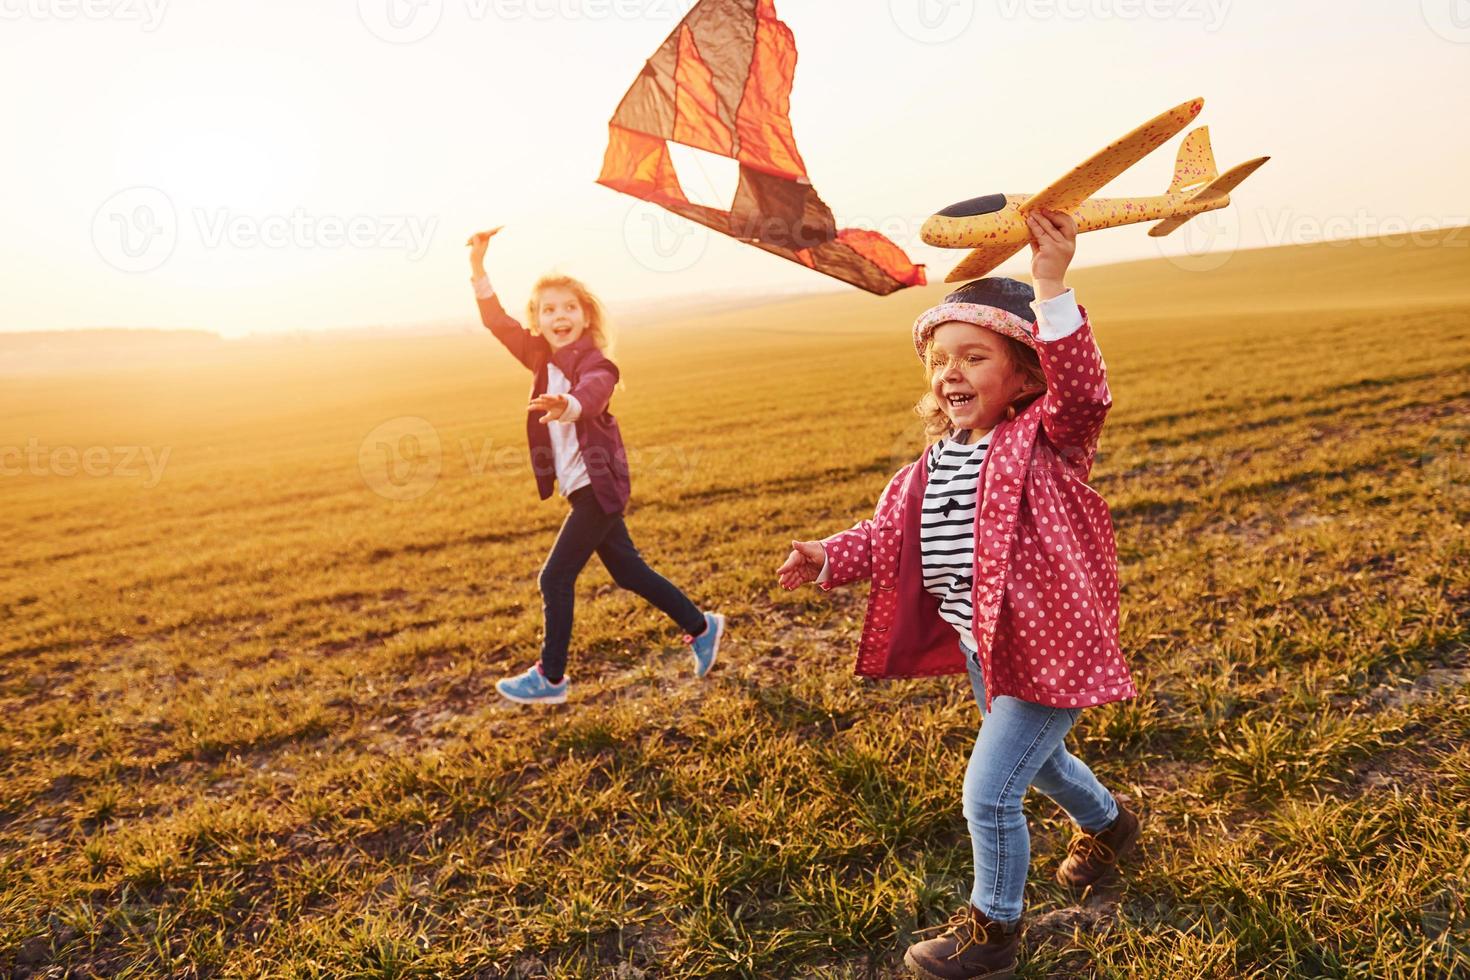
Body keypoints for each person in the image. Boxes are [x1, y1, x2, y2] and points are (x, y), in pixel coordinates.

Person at [777, 211, 1140, 979]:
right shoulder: (932, 463)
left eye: (975, 356)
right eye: (941, 359)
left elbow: (1086, 394)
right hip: (986, 648)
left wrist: (1050, 284)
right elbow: (884, 537)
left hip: (1048, 648)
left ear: (1026, 376)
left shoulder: (1044, 441)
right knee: (1037, 768)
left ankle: (992, 934)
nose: (951, 373)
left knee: (989, 795)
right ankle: (1109, 826)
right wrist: (824, 555)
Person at [468, 227, 724, 705]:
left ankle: (551, 677)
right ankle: (701, 626)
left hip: (598, 486)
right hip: (580, 488)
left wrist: (566, 404)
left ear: (585, 316)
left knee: (554, 578)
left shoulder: (597, 364)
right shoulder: (539, 356)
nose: (558, 315)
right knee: (628, 572)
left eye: (568, 307)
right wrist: (479, 269)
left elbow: (591, 394)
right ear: (538, 321)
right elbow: (497, 323)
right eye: (548, 309)